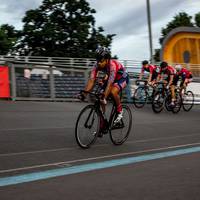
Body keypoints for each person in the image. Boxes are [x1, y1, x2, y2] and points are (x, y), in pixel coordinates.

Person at [81, 46, 129, 124]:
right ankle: (102, 121)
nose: (99, 63)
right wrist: (84, 93)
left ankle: (120, 110)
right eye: (97, 60)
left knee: (113, 92)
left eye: (101, 60)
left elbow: (110, 84)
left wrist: (104, 96)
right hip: (111, 78)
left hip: (122, 78)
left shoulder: (112, 65)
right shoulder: (96, 65)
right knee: (100, 97)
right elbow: (91, 80)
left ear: (107, 59)